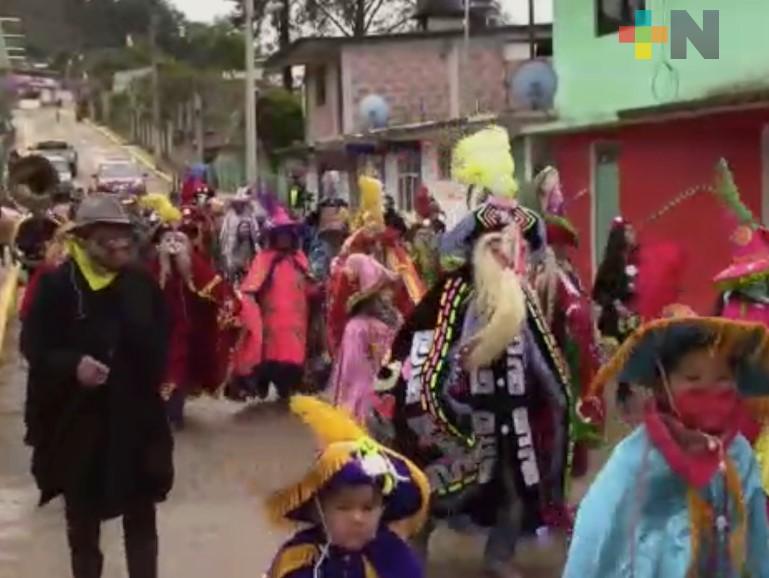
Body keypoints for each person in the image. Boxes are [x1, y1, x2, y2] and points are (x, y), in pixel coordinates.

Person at [371, 126, 573, 578]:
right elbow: (425, 356)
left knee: (517, 490)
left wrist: (560, 408)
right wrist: (447, 407)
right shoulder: (452, 298)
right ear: (478, 249)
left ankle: (499, 558)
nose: (506, 253)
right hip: (462, 418)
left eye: (514, 245)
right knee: (445, 492)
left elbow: (545, 366)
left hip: (513, 417)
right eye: (495, 245)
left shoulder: (524, 300)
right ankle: (414, 547)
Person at [21, 194, 173, 578]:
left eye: (124, 236)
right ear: (85, 239)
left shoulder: (141, 283)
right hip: (81, 425)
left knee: (141, 517)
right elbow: (35, 348)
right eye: (108, 237)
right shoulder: (59, 286)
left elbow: (162, 340)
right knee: (83, 525)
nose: (120, 245)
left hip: (136, 419)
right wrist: (74, 365)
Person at [563, 311, 769, 577]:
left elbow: (757, 539)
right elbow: (593, 538)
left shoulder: (738, 454)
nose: (709, 389)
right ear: (663, 384)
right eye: (693, 379)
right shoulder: (634, 460)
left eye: (722, 379)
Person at [264, 395, 429, 578]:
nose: (357, 518)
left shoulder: (395, 557)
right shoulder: (300, 558)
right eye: (343, 507)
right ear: (318, 510)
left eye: (368, 508)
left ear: (382, 509)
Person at [150, 220, 239, 429]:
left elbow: (219, 292)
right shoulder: (153, 268)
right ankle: (164, 413)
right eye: (168, 240)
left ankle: (173, 414)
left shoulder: (197, 265)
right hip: (159, 331)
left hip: (188, 330)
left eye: (178, 240)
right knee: (162, 369)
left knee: (177, 368)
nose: (173, 245)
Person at [228, 207, 317, 400]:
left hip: (297, 322)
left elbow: (309, 285)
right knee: (271, 356)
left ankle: (289, 389)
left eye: (287, 234)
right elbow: (250, 288)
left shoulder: (299, 258)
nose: (284, 238)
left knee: (293, 360)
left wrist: (318, 290)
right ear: (273, 237)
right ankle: (262, 384)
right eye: (280, 234)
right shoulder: (264, 259)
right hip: (272, 321)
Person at [329, 253, 402, 423]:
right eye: (383, 289)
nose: (388, 294)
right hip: (368, 398)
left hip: (388, 390)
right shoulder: (357, 327)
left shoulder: (394, 319)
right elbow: (354, 371)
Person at [220, 187, 262, 283]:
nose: (239, 205)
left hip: (245, 246)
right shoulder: (229, 216)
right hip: (231, 247)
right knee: (231, 269)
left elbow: (255, 231)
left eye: (241, 203)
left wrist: (256, 244)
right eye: (237, 203)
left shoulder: (249, 215)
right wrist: (224, 249)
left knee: (246, 269)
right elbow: (224, 233)